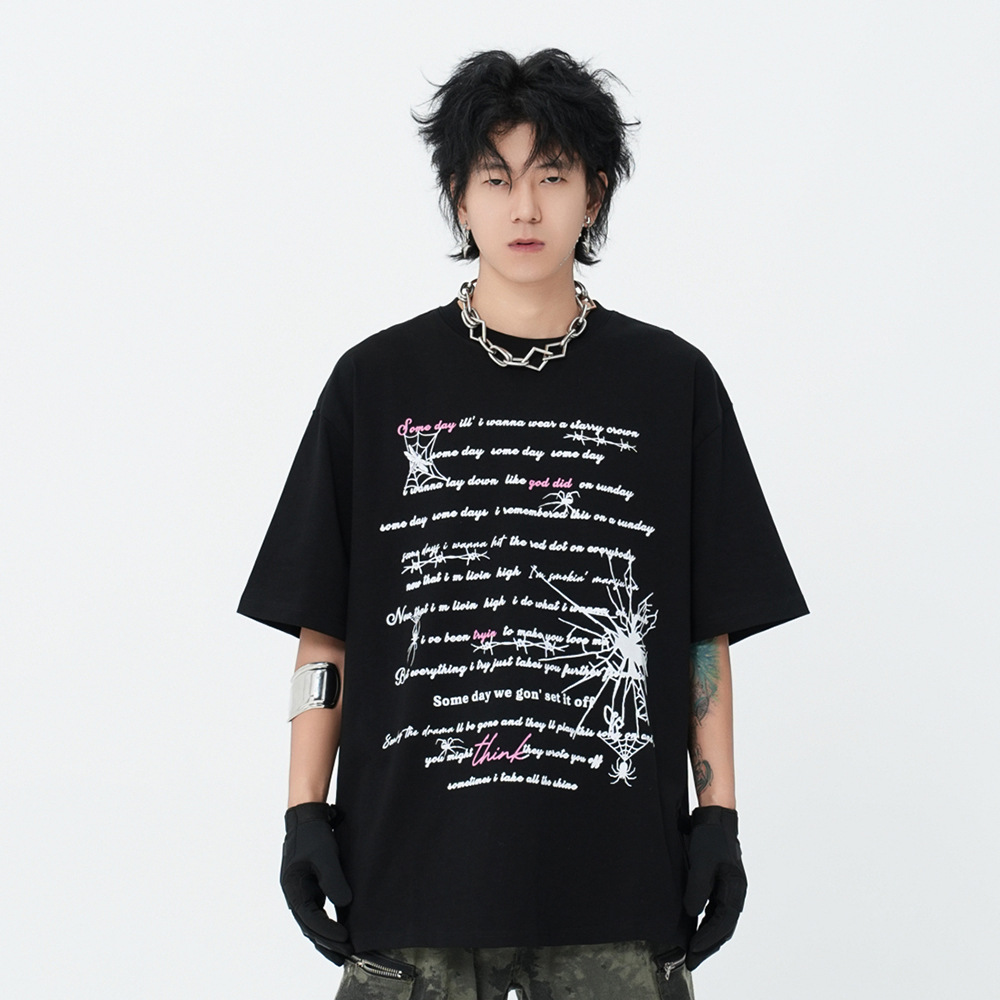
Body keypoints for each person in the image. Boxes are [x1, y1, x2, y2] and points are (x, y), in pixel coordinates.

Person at [238, 48, 808, 1000]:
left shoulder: (671, 385)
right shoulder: (375, 384)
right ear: (458, 199)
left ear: (596, 192)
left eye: (552, 175)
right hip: (409, 889)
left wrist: (719, 817)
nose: (526, 208)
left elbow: (700, 636)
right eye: (495, 178)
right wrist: (303, 812)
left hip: (615, 894)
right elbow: (324, 629)